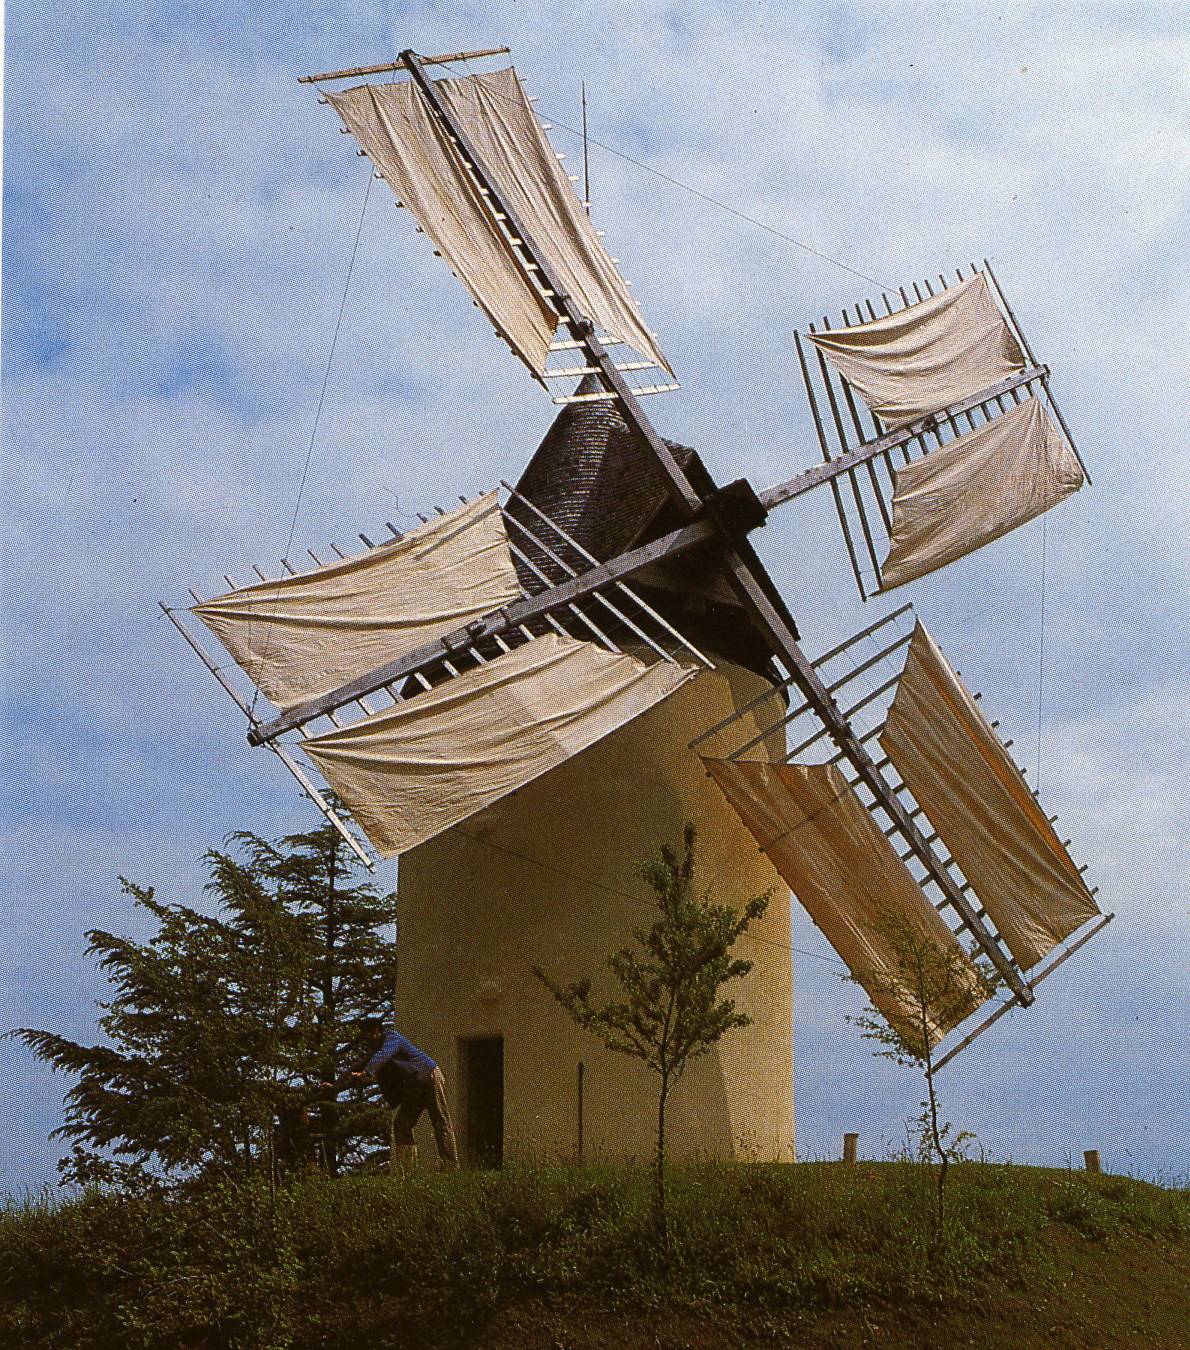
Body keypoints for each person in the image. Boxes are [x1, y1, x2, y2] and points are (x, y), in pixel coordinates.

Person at [323, 1019, 458, 1170]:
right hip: (414, 1087)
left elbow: (384, 1054)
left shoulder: (392, 1038)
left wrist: (366, 1073)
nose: (366, 1041)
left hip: (429, 1077)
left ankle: (450, 1166)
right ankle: (408, 1170)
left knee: (440, 1121)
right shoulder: (375, 1051)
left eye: (367, 1035)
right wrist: (335, 1087)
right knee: (401, 1124)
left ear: (376, 1031)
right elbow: (356, 1067)